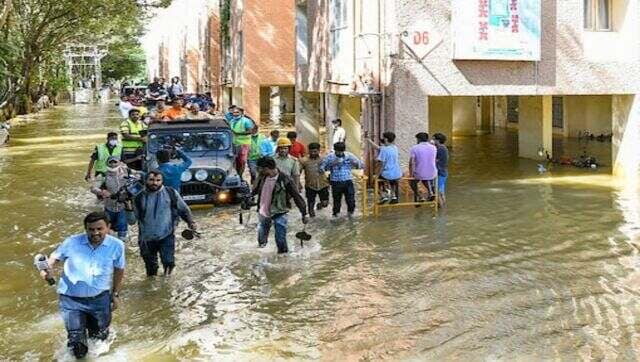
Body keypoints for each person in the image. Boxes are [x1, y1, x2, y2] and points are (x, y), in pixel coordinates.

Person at [40, 212, 125, 359]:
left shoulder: (117, 245)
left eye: (99, 229)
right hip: (71, 300)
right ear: (85, 229)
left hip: (100, 299)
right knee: (77, 344)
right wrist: (47, 270)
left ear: (108, 227)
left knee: (99, 341)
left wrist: (115, 294)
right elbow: (54, 258)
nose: (95, 233)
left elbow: (119, 269)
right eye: (91, 229)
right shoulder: (71, 242)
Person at [125, 170, 197, 276]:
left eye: (158, 180)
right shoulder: (138, 197)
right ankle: (151, 290)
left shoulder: (171, 193)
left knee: (169, 263)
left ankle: (166, 285)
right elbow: (132, 221)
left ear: (162, 181)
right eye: (151, 180)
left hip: (166, 235)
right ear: (145, 180)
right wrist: (128, 208)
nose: (155, 183)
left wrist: (191, 222)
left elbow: (184, 209)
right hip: (146, 238)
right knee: (151, 269)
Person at [252, 157, 308, 253]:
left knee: (280, 239)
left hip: (280, 212)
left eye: (260, 168)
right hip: (263, 212)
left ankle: (283, 261)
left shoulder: (285, 179)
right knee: (261, 241)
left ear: (266, 168)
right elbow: (256, 190)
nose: (259, 171)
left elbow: (296, 196)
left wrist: (304, 213)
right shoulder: (262, 177)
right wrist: (249, 197)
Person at [91, 157, 135, 239]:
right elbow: (93, 188)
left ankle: (122, 246)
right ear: (107, 164)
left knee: (122, 229)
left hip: (123, 206)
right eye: (110, 162)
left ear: (119, 163)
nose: (113, 164)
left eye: (115, 162)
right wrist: (102, 192)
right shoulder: (103, 175)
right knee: (107, 230)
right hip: (109, 207)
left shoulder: (127, 171)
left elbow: (139, 176)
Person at [320, 142, 363, 219]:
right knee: (337, 201)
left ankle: (351, 215)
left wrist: (355, 164)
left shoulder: (349, 155)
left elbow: (360, 165)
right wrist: (333, 164)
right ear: (335, 150)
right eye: (338, 151)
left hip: (348, 181)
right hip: (335, 182)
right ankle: (336, 216)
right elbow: (322, 168)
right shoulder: (330, 157)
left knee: (351, 200)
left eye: (341, 151)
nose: (340, 153)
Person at [368, 132, 402, 204]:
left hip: (388, 174)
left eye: (383, 137)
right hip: (397, 173)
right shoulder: (395, 148)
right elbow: (378, 147)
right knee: (392, 181)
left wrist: (376, 175)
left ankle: (383, 196)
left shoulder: (384, 150)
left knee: (375, 181)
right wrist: (368, 140)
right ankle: (393, 196)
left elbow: (382, 164)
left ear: (386, 139)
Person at [299, 142, 330, 217]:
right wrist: (298, 183)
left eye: (315, 151)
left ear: (319, 151)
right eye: (311, 151)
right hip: (310, 185)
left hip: (323, 184)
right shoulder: (304, 160)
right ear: (308, 151)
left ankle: (320, 205)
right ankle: (312, 223)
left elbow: (330, 168)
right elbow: (298, 172)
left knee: (325, 204)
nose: (313, 153)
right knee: (311, 209)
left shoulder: (324, 159)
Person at [409, 132, 438, 203]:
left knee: (412, 182)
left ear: (418, 139)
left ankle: (420, 196)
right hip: (433, 173)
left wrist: (411, 173)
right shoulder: (433, 147)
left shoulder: (414, 148)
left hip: (421, 173)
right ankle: (431, 192)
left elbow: (411, 162)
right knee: (425, 178)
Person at [229, 107, 255, 178]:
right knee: (235, 161)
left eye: (237, 112)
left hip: (244, 144)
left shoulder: (246, 121)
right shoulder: (232, 121)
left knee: (242, 161)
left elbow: (250, 131)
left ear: (241, 113)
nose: (235, 114)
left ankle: (240, 177)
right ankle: (236, 175)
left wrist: (238, 133)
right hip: (234, 143)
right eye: (234, 112)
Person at [433, 133, 449, 207]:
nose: (433, 141)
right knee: (441, 191)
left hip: (440, 172)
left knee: (437, 192)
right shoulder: (444, 148)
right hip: (443, 172)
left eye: (434, 139)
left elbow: (435, 159)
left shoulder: (440, 148)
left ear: (438, 140)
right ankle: (443, 207)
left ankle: (441, 209)